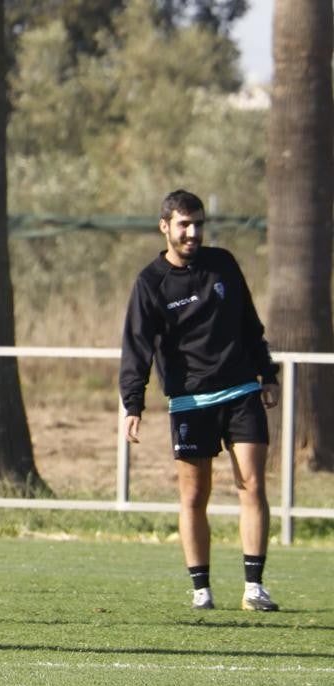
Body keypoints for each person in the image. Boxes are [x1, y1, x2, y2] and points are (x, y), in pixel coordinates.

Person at [120, 189, 280, 612]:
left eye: (198, 224)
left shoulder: (222, 264)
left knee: (253, 485)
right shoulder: (150, 282)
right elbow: (137, 347)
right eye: (184, 225)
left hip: (242, 390)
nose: (192, 233)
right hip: (191, 401)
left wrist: (268, 373)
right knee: (194, 497)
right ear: (165, 227)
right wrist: (132, 404)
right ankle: (202, 591)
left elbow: (249, 321)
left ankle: (254, 588)